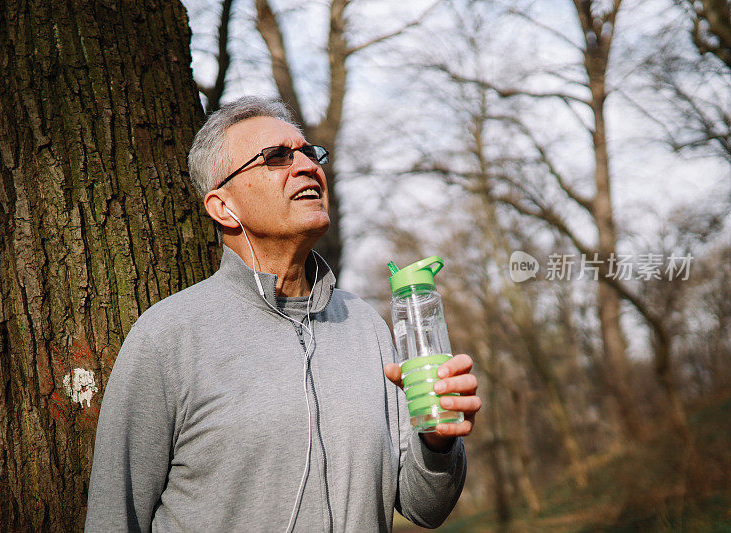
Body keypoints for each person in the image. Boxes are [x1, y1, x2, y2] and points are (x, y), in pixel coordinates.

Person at [85, 96, 482, 532]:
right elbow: (113, 519)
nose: (308, 166)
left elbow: (425, 508)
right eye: (276, 157)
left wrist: (437, 440)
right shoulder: (167, 337)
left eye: (309, 153)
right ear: (223, 207)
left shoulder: (366, 326)